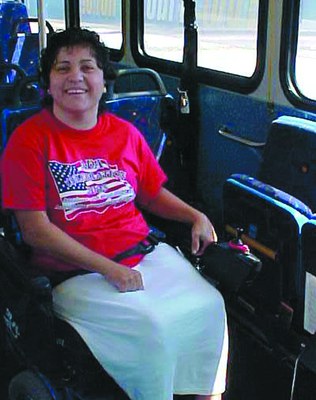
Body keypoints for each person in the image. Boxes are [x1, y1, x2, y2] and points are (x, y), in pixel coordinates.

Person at [1, 28, 228, 400]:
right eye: (63, 68)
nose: (76, 76)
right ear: (48, 84)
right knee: (151, 328)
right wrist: (109, 269)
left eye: (87, 67)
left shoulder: (124, 134)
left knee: (208, 306)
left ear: (104, 82)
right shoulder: (28, 141)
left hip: (143, 254)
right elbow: (35, 231)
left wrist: (195, 216)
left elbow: (151, 193)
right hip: (76, 271)